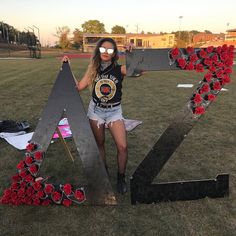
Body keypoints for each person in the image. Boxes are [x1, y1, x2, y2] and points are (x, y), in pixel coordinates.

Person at [67, 38, 133, 194]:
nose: (106, 52)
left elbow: (138, 70)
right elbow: (78, 87)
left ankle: (121, 177)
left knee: (122, 146)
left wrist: (131, 53)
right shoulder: (93, 70)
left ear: (114, 53)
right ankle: (104, 174)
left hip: (114, 111)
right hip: (96, 112)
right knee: (100, 143)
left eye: (110, 50)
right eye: (103, 49)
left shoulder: (119, 69)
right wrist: (67, 66)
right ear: (98, 50)